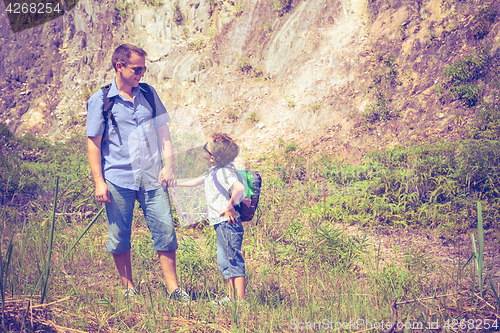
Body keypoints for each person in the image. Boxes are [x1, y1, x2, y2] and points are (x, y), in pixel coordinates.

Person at [86, 44, 188, 301]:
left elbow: (164, 132)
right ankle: (129, 289)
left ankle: (174, 289)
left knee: (165, 231)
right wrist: (99, 182)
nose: (142, 73)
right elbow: (94, 144)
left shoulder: (149, 94)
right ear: (119, 66)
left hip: (153, 178)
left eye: (144, 68)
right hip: (118, 180)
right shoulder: (101, 100)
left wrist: (169, 166)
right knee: (119, 235)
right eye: (137, 69)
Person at [171, 133, 246, 305]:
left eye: (208, 146)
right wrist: (174, 182)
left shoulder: (225, 172)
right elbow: (196, 181)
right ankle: (232, 298)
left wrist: (229, 206)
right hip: (221, 224)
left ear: (213, 156)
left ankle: (240, 301)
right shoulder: (213, 171)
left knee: (233, 259)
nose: (205, 146)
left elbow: (239, 188)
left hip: (228, 223)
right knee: (225, 261)